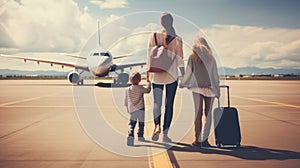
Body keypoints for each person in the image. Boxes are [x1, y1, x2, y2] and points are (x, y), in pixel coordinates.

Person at [147, 12, 185, 142]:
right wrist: (184, 75)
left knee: (157, 103)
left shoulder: (154, 36)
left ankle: (156, 126)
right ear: (172, 22)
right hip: (171, 75)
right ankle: (165, 133)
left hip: (156, 75)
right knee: (169, 105)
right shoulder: (177, 38)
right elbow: (180, 60)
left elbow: (149, 57)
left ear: (161, 22)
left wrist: (148, 76)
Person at [179, 36, 220, 147]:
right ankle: (205, 140)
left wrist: (182, 83)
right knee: (208, 114)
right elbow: (215, 75)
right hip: (209, 88)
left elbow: (189, 73)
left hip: (196, 88)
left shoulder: (193, 57)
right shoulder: (211, 58)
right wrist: (217, 89)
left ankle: (197, 140)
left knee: (198, 113)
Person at [125, 72, 151, 146]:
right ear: (139, 80)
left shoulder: (128, 89)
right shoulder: (140, 88)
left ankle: (130, 132)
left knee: (131, 123)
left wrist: (127, 108)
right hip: (140, 109)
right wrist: (149, 83)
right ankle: (140, 136)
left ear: (130, 80)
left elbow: (126, 100)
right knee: (141, 123)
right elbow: (148, 90)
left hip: (132, 109)